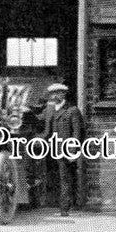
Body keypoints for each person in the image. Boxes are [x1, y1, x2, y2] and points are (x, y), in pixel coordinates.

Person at [42, 82, 85, 217]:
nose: (54, 96)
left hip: (64, 150)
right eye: (52, 94)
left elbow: (77, 133)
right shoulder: (49, 110)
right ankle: (54, 203)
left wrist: (72, 150)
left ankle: (64, 207)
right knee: (53, 178)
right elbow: (39, 121)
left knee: (65, 178)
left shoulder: (72, 110)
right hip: (51, 150)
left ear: (63, 94)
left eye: (57, 93)